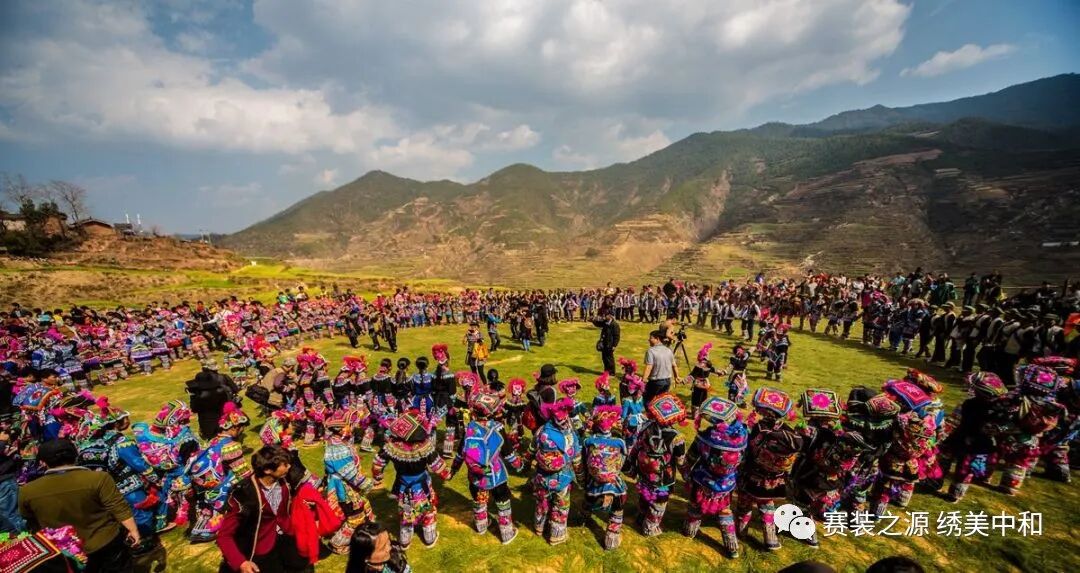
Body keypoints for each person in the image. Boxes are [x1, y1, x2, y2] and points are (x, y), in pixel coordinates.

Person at [19, 438, 141, 573]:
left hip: (66, 552)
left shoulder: (27, 490)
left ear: (42, 462)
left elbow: (29, 519)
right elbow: (119, 507)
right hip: (105, 542)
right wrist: (133, 530)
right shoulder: (98, 478)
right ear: (76, 454)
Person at [216, 445, 312, 573]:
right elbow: (224, 535)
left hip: (287, 536)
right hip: (260, 546)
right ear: (267, 470)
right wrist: (241, 562)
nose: (289, 466)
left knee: (300, 565)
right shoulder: (244, 494)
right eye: (284, 464)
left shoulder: (286, 479)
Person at [449, 390, 523, 544]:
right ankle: (506, 533)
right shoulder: (498, 428)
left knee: (479, 500)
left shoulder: (470, 428)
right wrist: (519, 465)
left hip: (476, 475)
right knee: (502, 501)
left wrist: (454, 469)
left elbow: (461, 453)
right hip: (495, 475)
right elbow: (508, 453)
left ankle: (481, 526)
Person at [371, 410, 451, 548]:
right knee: (427, 510)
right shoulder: (424, 446)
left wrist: (378, 477)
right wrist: (448, 474)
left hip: (403, 485)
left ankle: (405, 540)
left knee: (406, 511)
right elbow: (438, 466)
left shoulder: (392, 446)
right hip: (422, 485)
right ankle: (429, 537)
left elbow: (378, 463)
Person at [682, 397, 747, 557]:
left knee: (696, 505)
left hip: (704, 479)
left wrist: (686, 472)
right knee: (725, 511)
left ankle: (689, 531)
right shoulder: (741, 435)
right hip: (727, 481)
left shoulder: (706, 437)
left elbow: (691, 457)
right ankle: (732, 547)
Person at [626, 393, 687, 537]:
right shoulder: (676, 437)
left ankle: (641, 515)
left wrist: (631, 463)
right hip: (663, 475)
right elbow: (680, 460)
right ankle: (650, 527)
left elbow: (637, 446)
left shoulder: (647, 426)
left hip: (644, 467)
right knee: (660, 500)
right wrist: (686, 474)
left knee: (645, 492)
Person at [531, 397, 582, 545]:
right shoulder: (570, 435)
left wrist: (523, 464)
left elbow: (532, 449)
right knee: (560, 505)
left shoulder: (541, 431)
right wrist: (580, 478)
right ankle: (556, 535)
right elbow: (576, 458)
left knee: (541, 502)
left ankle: (539, 527)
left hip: (542, 477)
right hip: (562, 478)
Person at [581, 405, 627, 550]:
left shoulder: (588, 441)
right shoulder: (620, 442)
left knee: (588, 499)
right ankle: (611, 540)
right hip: (614, 485)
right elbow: (622, 462)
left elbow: (584, 459)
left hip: (593, 483)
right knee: (618, 509)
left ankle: (583, 518)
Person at [188, 359, 235, 440]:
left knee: (212, 440)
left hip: (206, 423)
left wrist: (192, 396)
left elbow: (194, 409)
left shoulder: (199, 397)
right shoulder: (220, 392)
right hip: (222, 419)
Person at [343, 522, 411, 573]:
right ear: (366, 557)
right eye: (383, 548)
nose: (389, 548)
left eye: (388, 542)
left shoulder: (395, 556)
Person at [642, 330, 678, 404]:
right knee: (661, 403)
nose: (649, 340)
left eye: (651, 338)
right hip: (667, 382)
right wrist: (676, 376)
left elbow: (649, 366)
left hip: (655, 382)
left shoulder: (651, 351)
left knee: (648, 401)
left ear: (657, 339)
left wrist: (644, 379)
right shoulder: (668, 350)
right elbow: (674, 365)